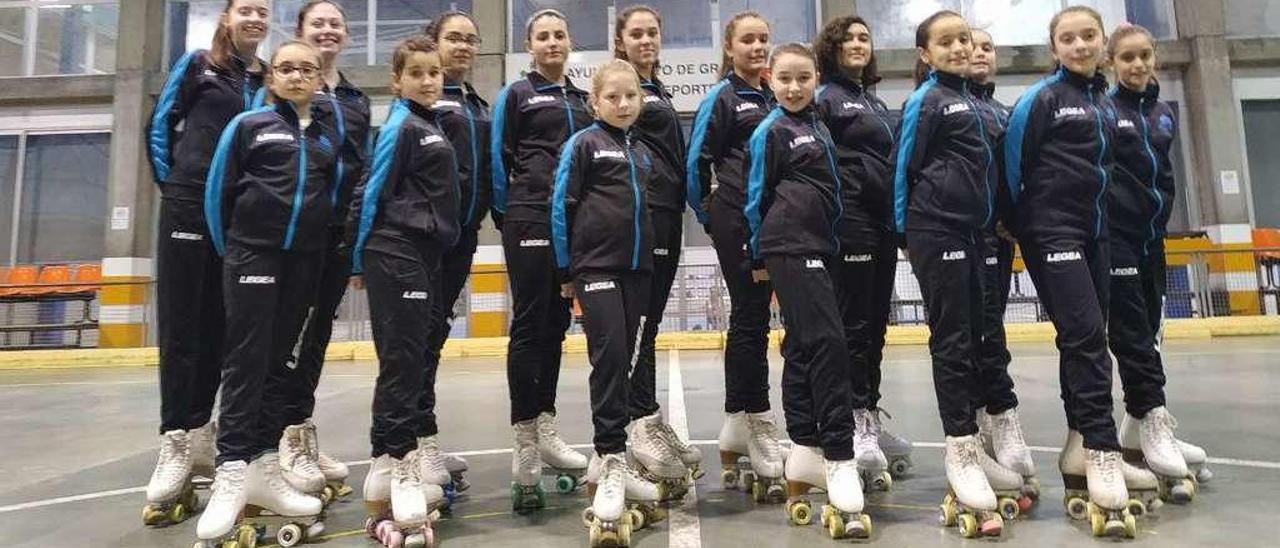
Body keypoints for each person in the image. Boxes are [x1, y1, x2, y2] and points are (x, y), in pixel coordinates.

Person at [197, 39, 339, 545]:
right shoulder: (248, 127)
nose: (297, 76)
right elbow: (217, 195)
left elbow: (332, 198)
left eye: (307, 69)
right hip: (251, 255)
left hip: (303, 262)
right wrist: (236, 250)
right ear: (272, 78)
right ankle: (232, 468)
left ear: (320, 79)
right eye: (286, 68)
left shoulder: (326, 138)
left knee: (279, 361)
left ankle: (262, 463)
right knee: (246, 359)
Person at [1004, 5, 1135, 537]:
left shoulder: (1103, 101)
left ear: (1102, 43)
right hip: (1050, 231)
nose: (1079, 45)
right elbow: (1012, 163)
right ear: (1053, 47)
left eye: (1088, 36)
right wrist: (1019, 222)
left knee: (1088, 337)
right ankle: (1103, 449)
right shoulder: (1042, 99)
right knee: (1083, 334)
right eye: (1068, 38)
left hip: (1095, 231)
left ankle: (1082, 441)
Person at [896, 10, 1026, 538]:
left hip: (977, 236)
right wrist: (908, 231)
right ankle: (960, 451)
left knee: (977, 337)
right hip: (937, 232)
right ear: (926, 53)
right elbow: (905, 166)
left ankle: (977, 438)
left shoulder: (976, 103)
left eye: (963, 40)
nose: (957, 48)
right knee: (951, 342)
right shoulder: (924, 102)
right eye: (945, 42)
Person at [143, 0, 269, 526]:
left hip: (236, 215)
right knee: (181, 327)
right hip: (188, 203)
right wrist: (176, 185)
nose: (255, 18)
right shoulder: (199, 65)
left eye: (264, 10)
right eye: (245, 8)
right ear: (226, 17)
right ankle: (176, 438)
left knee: (222, 329)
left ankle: (202, 432)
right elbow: (159, 127)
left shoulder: (265, 79)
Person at [745, 42, 871, 540]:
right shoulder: (771, 130)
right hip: (787, 243)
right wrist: (759, 254)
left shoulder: (816, 125)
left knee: (802, 345)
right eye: (785, 79)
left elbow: (832, 191)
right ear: (770, 81)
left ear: (816, 76)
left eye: (803, 78)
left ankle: (802, 448)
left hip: (822, 242)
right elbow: (756, 196)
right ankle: (838, 455)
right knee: (829, 344)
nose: (794, 87)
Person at [346, 36, 458, 548]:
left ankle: (386, 464)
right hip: (396, 251)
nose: (429, 79)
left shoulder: (429, 123)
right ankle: (398, 463)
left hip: (423, 254)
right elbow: (372, 190)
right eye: (417, 73)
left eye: (434, 72)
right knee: (403, 361)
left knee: (409, 360)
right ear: (398, 80)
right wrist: (356, 256)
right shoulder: (401, 125)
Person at [551, 59, 665, 546]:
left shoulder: (642, 155)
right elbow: (561, 205)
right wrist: (565, 270)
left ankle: (609, 460)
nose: (622, 104)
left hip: (639, 272)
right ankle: (612, 456)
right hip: (595, 270)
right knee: (611, 357)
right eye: (612, 97)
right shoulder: (583, 145)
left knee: (632, 359)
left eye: (631, 96)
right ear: (594, 103)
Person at [491, 8, 591, 511]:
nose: (553, 42)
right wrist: (508, 213)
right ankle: (524, 441)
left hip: (572, 222)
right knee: (531, 324)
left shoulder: (581, 99)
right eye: (543, 36)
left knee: (556, 325)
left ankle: (546, 423)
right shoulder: (517, 95)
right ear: (530, 45)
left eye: (559, 34)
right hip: (529, 217)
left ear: (569, 42)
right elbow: (498, 156)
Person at [273, 0, 371, 503]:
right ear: (300, 32)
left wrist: (353, 239)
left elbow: (360, 171)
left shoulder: (355, 100)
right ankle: (274, 444)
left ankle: (300, 432)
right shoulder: (279, 97)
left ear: (346, 36)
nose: (328, 30)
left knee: (314, 339)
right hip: (289, 241)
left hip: (336, 239)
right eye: (318, 23)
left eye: (336, 24)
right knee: (284, 339)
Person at [686, 11, 785, 499]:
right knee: (750, 316)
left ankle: (739, 423)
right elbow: (696, 162)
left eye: (763, 38)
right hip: (736, 219)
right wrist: (711, 214)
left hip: (773, 218)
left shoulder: (773, 95)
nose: (757, 47)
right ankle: (753, 418)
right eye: (747, 39)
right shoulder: (722, 98)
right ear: (729, 47)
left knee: (756, 320)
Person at [812, 14, 911, 485]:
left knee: (875, 324)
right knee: (853, 325)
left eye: (865, 36)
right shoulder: (826, 98)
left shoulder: (871, 100)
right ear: (831, 47)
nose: (858, 43)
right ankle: (852, 420)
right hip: (849, 222)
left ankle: (868, 411)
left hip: (881, 222)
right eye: (848, 37)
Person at [1105, 22, 1202, 502]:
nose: (1138, 64)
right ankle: (1153, 417)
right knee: (1131, 337)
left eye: (1144, 55)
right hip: (1116, 240)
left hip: (1152, 240)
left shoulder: (1163, 113)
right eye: (1127, 57)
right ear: (1111, 64)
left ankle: (1142, 424)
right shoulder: (1105, 111)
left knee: (1151, 332)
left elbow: (1163, 176)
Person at [612, 4, 702, 493]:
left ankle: (646, 412)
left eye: (653, 32)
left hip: (668, 213)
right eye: (637, 33)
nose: (646, 39)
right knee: (639, 321)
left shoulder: (658, 89)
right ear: (621, 40)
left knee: (650, 322)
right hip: (642, 215)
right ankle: (637, 425)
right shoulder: (625, 90)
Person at [418, 8, 491, 494]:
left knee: (432, 337)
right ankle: (408, 445)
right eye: (453, 38)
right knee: (413, 342)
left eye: (469, 39)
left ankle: (422, 434)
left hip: (462, 236)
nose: (462, 46)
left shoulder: (478, 105)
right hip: (422, 239)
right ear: (435, 43)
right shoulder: (426, 101)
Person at [968, 28, 1039, 494]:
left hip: (997, 238)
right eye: (969, 45)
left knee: (992, 329)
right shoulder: (935, 104)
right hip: (956, 238)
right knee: (963, 334)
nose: (977, 53)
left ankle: (1000, 414)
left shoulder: (1005, 113)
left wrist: (1011, 219)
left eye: (987, 47)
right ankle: (972, 425)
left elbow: (1017, 173)